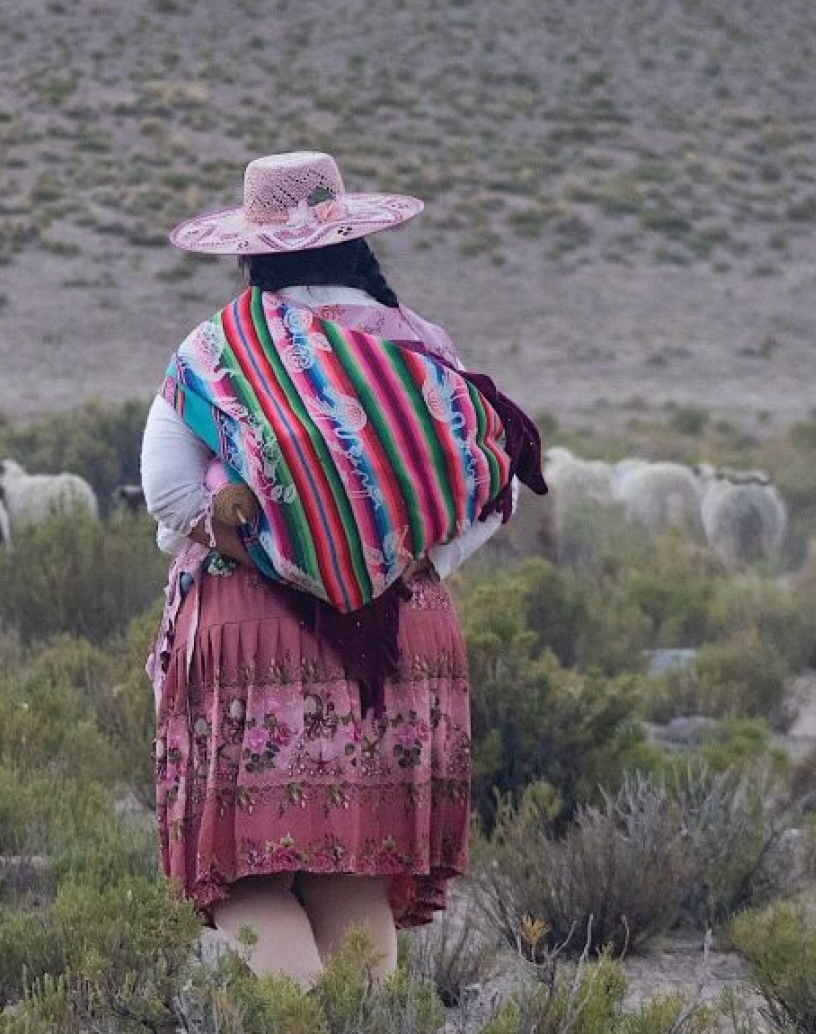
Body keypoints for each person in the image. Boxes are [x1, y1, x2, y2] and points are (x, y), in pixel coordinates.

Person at [140, 151, 544, 987]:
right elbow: (488, 484)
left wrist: (282, 552)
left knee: (246, 875)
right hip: (399, 637)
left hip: (252, 632)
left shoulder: (222, 349)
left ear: (253, 251)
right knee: (348, 869)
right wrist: (392, 561)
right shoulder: (419, 347)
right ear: (352, 237)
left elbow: (171, 491)